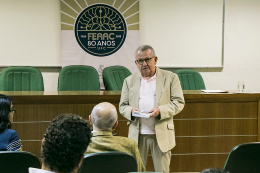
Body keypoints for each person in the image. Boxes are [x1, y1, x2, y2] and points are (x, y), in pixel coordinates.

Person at [119, 45, 185, 173]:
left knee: (162, 171)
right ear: (136, 63)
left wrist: (160, 110)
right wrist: (131, 111)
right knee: (136, 171)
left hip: (161, 134)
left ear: (155, 59)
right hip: (137, 135)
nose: (144, 64)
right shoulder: (129, 81)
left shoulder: (171, 78)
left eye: (148, 59)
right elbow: (123, 106)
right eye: (140, 61)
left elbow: (178, 102)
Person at [86, 102, 146, 172]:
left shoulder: (80, 145)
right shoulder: (130, 145)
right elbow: (140, 171)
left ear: (90, 120)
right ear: (115, 125)